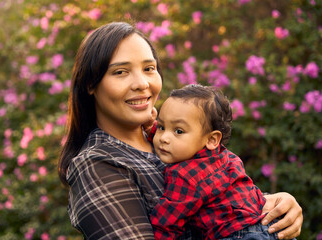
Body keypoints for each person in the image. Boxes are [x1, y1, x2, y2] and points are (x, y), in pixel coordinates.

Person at [58, 21, 303, 239]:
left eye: (149, 68)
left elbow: (220, 192)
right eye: (120, 72)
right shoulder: (97, 163)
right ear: (91, 84)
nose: (142, 84)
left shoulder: (168, 139)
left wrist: (274, 205)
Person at [148, 84, 296, 240]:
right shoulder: (226, 157)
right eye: (162, 127)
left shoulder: (185, 176)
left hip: (239, 235)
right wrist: (150, 128)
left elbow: (167, 223)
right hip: (268, 223)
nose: (164, 138)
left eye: (179, 131)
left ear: (212, 139)